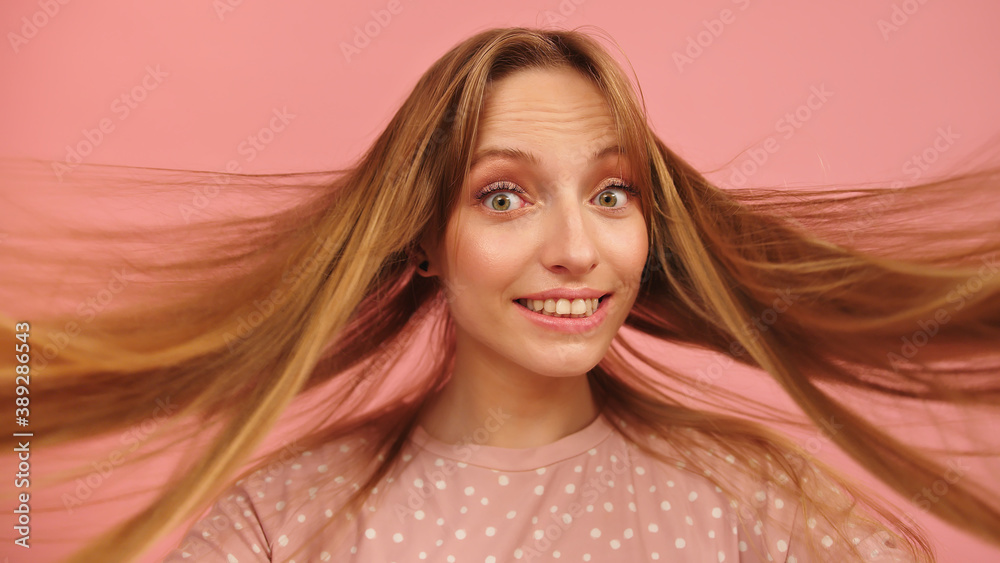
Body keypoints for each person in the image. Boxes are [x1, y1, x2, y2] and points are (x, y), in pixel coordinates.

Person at [3, 27, 998, 562]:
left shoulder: (756, 501)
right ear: (428, 239)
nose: (576, 247)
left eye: (612, 192)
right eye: (505, 195)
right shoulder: (280, 522)